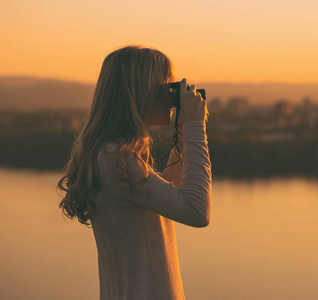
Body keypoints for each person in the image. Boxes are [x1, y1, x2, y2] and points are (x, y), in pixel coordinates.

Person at [57, 45, 212, 300]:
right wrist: (196, 127)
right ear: (143, 92)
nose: (173, 96)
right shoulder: (116, 159)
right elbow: (197, 211)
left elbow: (166, 199)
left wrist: (183, 138)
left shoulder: (109, 155)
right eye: (167, 87)